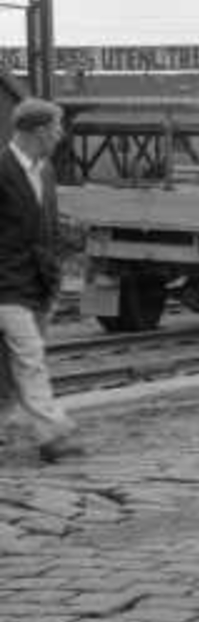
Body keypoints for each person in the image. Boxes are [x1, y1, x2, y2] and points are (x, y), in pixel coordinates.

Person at [0, 97, 83, 461]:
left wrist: (55, 279)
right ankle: (54, 434)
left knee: (7, 367)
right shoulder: (1, 170)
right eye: (57, 128)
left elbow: (45, 232)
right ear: (39, 132)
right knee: (30, 358)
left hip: (38, 287)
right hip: (6, 287)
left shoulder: (45, 172)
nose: (61, 135)